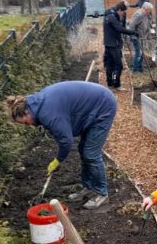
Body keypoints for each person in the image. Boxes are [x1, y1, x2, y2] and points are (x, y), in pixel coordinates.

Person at [6, 82, 117, 210]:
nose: (28, 125)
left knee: (91, 153)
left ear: (26, 113)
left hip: (103, 105)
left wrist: (58, 160)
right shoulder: (34, 103)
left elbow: (66, 141)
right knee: (83, 150)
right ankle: (89, 187)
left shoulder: (47, 114)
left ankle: (102, 193)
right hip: (90, 107)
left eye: (26, 123)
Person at [103, 1, 135, 89]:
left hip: (108, 43)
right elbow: (119, 28)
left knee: (109, 64)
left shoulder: (109, 14)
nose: (124, 14)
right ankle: (116, 84)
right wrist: (133, 32)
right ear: (119, 10)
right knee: (118, 65)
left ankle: (110, 83)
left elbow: (120, 26)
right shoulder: (112, 17)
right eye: (123, 12)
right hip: (113, 44)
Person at [127, 2, 154, 73]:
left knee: (142, 53)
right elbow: (131, 25)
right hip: (137, 37)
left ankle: (140, 68)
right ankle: (136, 69)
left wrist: (149, 33)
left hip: (143, 37)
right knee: (138, 53)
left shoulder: (146, 14)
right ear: (145, 8)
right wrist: (133, 36)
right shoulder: (139, 15)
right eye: (149, 10)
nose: (150, 12)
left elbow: (148, 24)